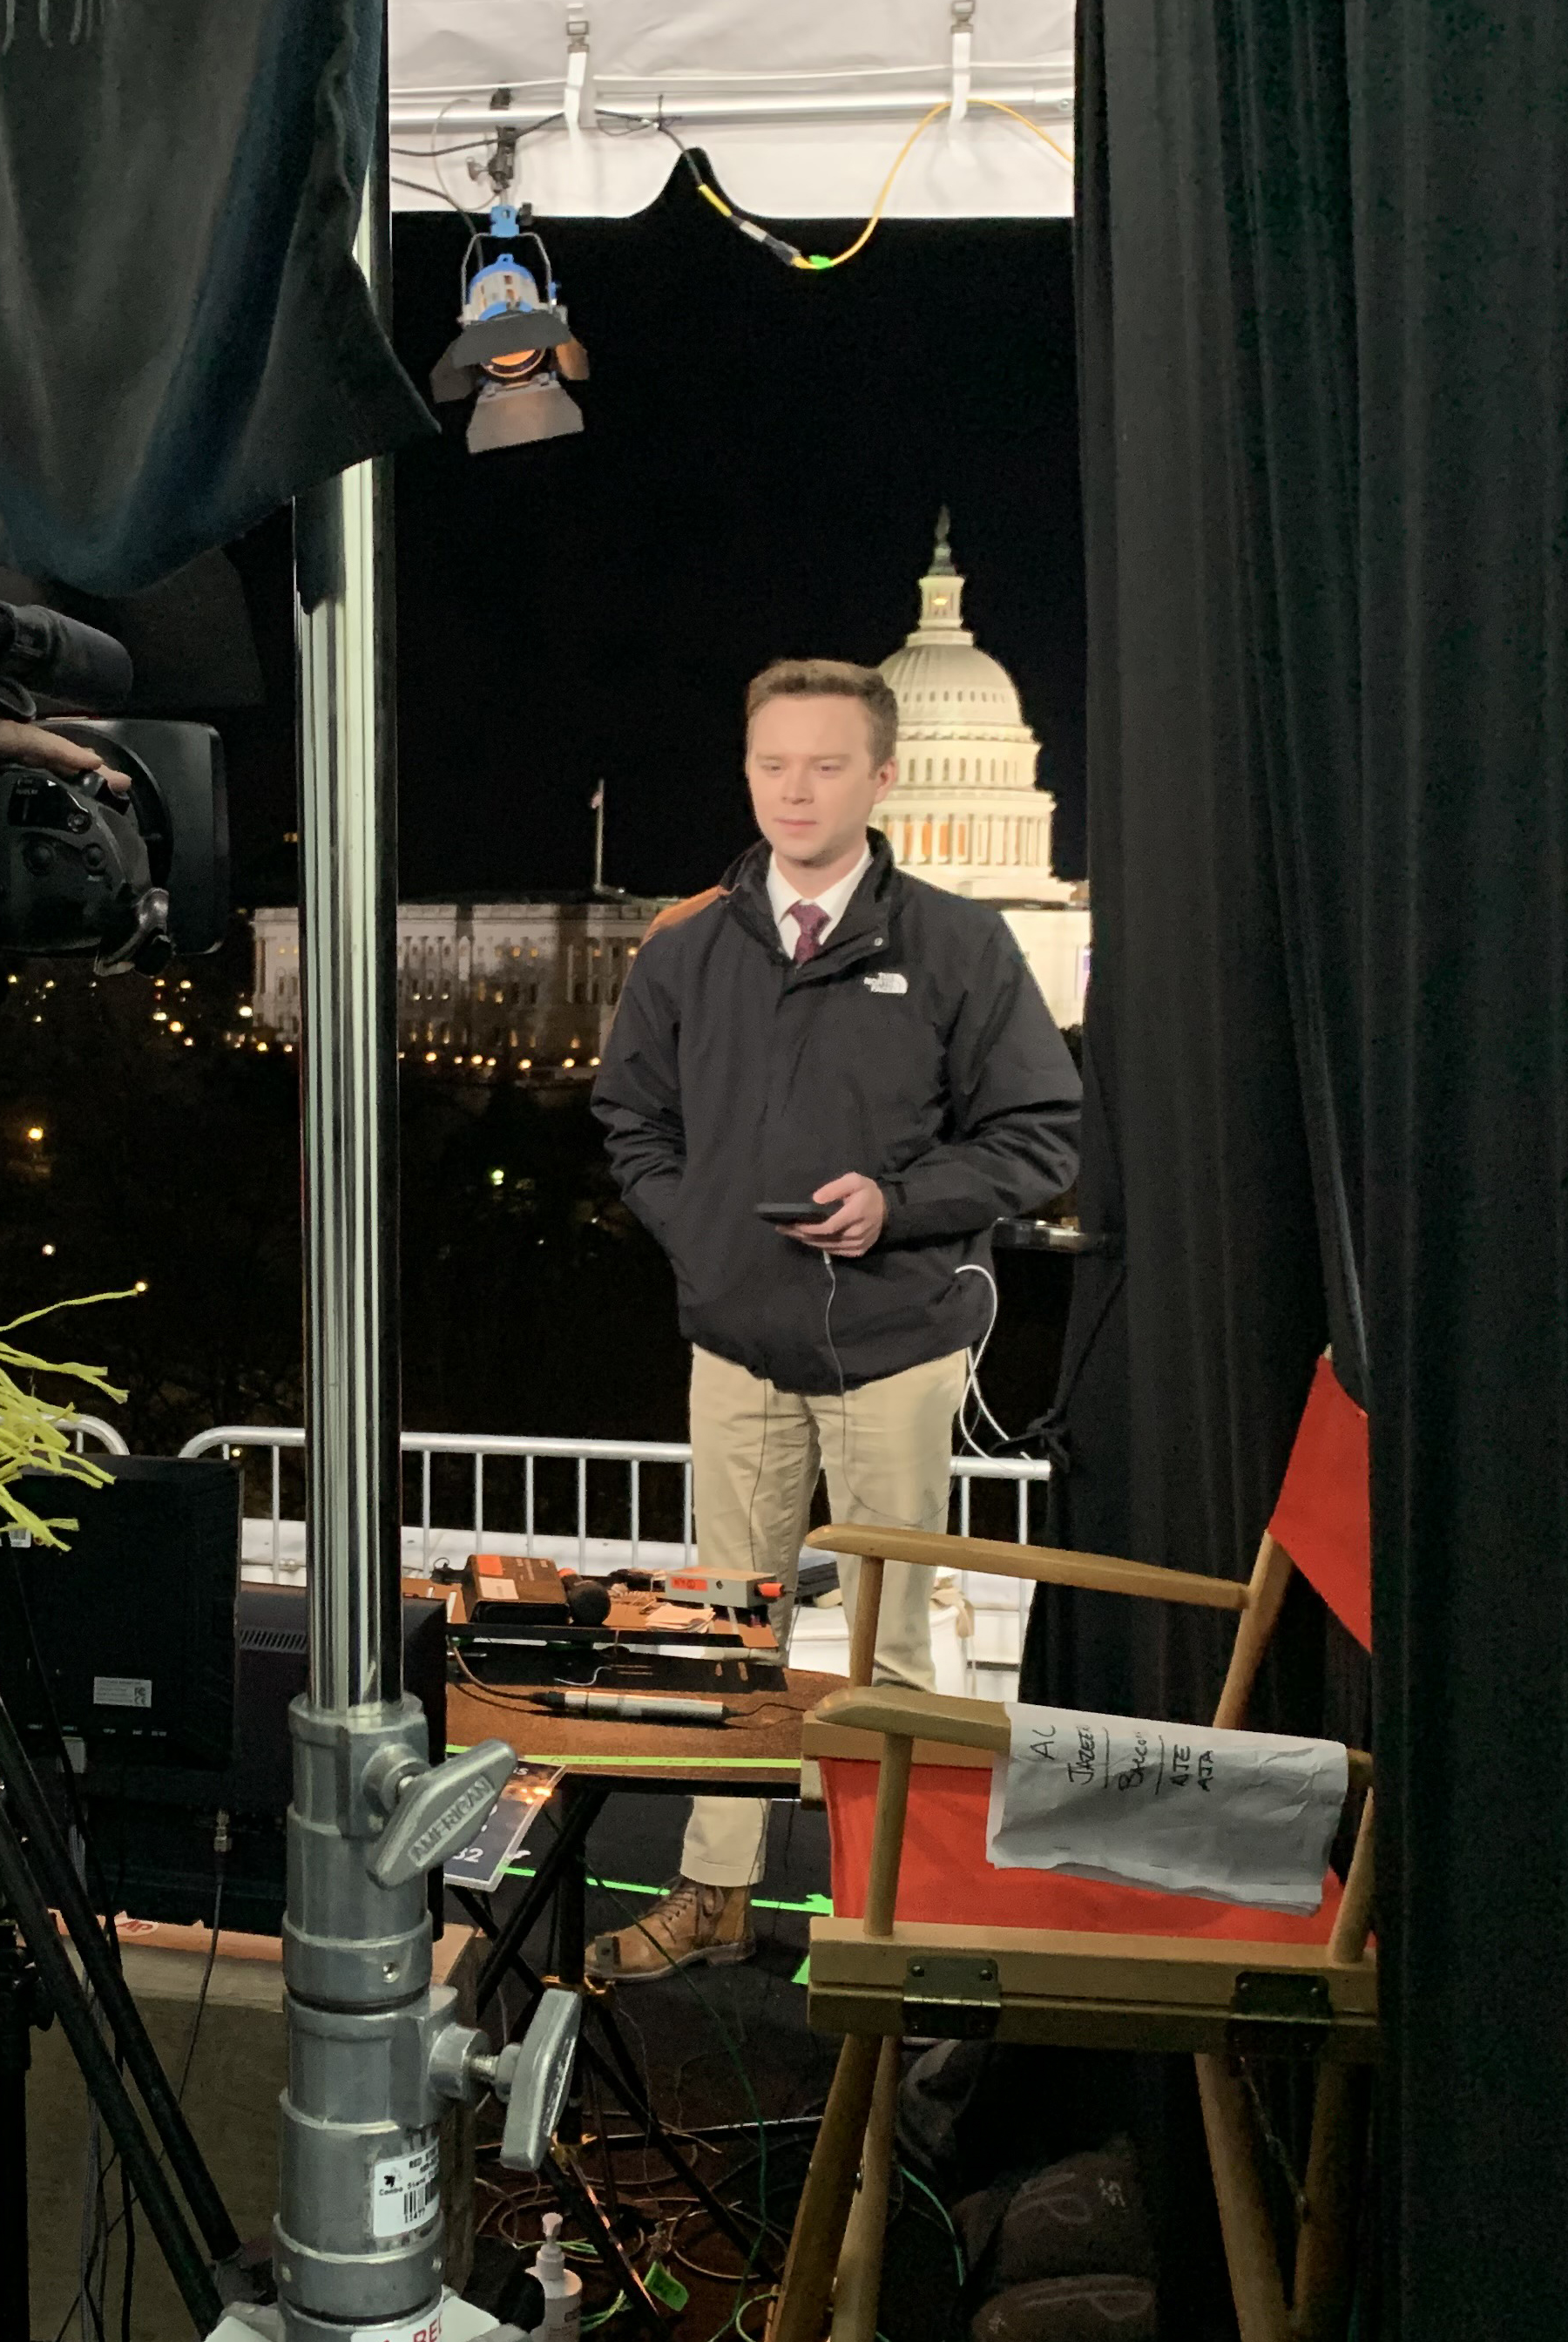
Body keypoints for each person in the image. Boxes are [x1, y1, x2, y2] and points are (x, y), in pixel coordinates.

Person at [585, 657, 1080, 1980]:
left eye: (824, 764)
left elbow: (1040, 1135)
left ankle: (891, 1915)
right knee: (722, 1635)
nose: (794, 791)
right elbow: (630, 1117)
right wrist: (697, 1231)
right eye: (771, 764)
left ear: (882, 776)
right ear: (748, 775)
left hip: (894, 1350)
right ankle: (716, 1894)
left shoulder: (961, 944)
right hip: (735, 1347)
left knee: (893, 1641)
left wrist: (900, 1204)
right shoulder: (688, 945)